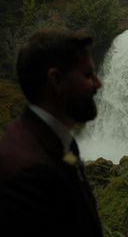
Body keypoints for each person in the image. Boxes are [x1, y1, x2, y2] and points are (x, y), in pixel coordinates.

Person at [0, 28, 104, 236]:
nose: (98, 83)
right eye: (87, 75)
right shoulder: (29, 171)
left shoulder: (52, 140)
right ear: (56, 80)